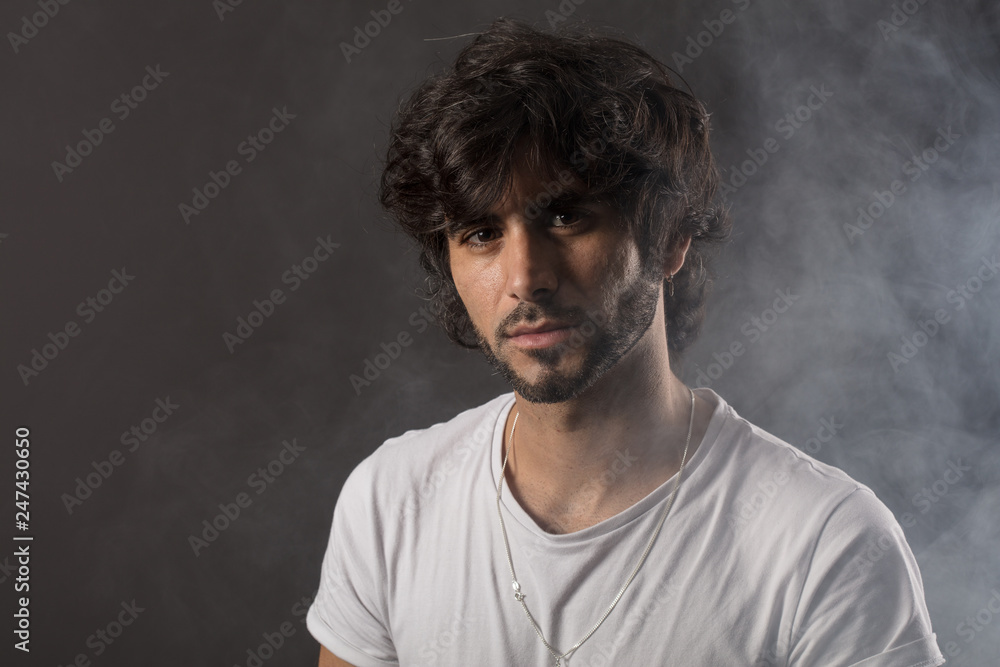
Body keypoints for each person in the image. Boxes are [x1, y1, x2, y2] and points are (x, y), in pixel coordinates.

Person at [307, 18, 945, 667]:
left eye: (566, 216)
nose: (525, 277)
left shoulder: (826, 545)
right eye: (481, 234)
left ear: (670, 238)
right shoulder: (392, 501)